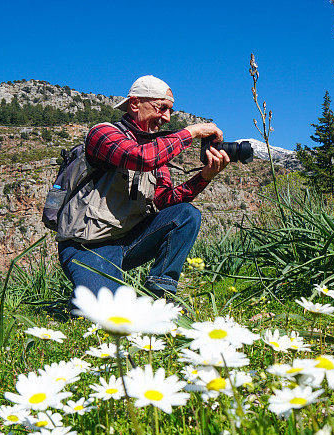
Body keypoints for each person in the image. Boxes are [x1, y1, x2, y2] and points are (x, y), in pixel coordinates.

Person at [57, 75, 230, 301]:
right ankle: (82, 299)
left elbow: (165, 202)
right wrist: (192, 132)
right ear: (135, 104)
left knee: (186, 214)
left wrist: (205, 176)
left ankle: (162, 293)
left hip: (128, 241)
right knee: (107, 314)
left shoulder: (156, 151)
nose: (167, 118)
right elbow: (140, 158)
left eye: (170, 110)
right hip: (86, 247)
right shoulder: (102, 133)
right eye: (162, 108)